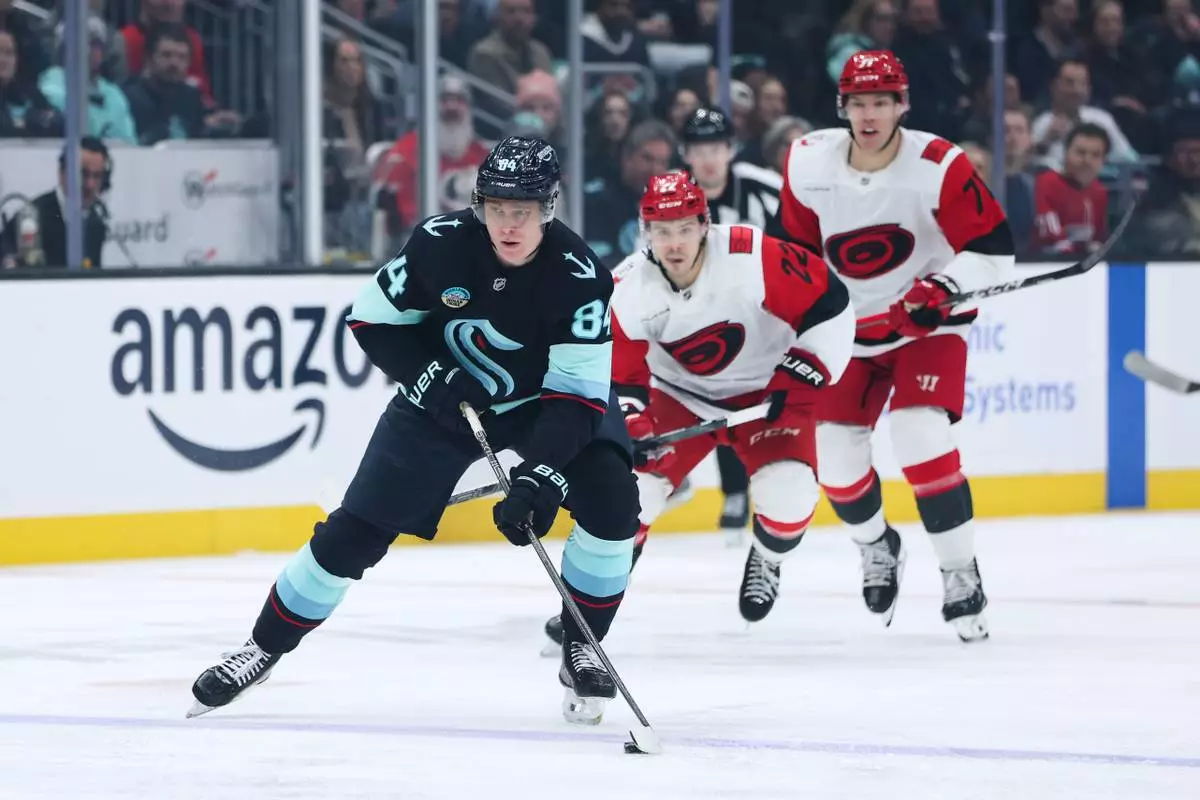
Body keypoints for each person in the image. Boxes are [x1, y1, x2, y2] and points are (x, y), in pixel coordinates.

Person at [187, 137, 640, 725]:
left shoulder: (580, 277)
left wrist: (541, 475)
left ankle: (583, 641)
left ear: (549, 207)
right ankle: (262, 646)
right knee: (357, 530)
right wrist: (432, 378)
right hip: (441, 403)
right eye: (497, 206)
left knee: (611, 499)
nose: (508, 223)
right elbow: (372, 319)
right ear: (479, 203)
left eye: (523, 210)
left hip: (544, 404)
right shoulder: (438, 246)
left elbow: (577, 397)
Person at [542, 171, 854, 649]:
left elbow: (829, 303)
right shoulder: (628, 286)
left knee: (789, 497)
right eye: (661, 230)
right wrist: (633, 423)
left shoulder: (753, 257)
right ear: (644, 232)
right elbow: (621, 374)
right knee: (631, 495)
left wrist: (804, 371)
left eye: (684, 228)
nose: (673, 242)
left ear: (704, 225)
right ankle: (583, 609)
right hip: (679, 396)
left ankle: (767, 557)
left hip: (766, 391)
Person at [769, 51, 1015, 642]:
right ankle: (877, 545)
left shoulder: (938, 164)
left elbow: (996, 250)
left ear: (902, 104)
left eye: (882, 101)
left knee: (920, 431)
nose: (870, 113)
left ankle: (961, 574)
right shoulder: (808, 161)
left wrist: (944, 286)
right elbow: (793, 258)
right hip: (848, 331)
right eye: (859, 102)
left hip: (926, 325)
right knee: (834, 456)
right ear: (843, 107)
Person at [678, 105, 785, 533]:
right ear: (685, 153)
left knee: (769, 408)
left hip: (766, 320)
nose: (708, 158)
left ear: (731, 149)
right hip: (701, 321)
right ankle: (727, 490)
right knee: (715, 399)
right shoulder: (668, 200)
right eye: (699, 148)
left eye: (717, 147)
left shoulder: (767, 189)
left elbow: (798, 247)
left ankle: (773, 491)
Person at [0, 136, 109, 269]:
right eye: (84, 174)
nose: (90, 184)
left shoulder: (96, 225)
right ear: (62, 173)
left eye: (97, 176)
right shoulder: (32, 216)